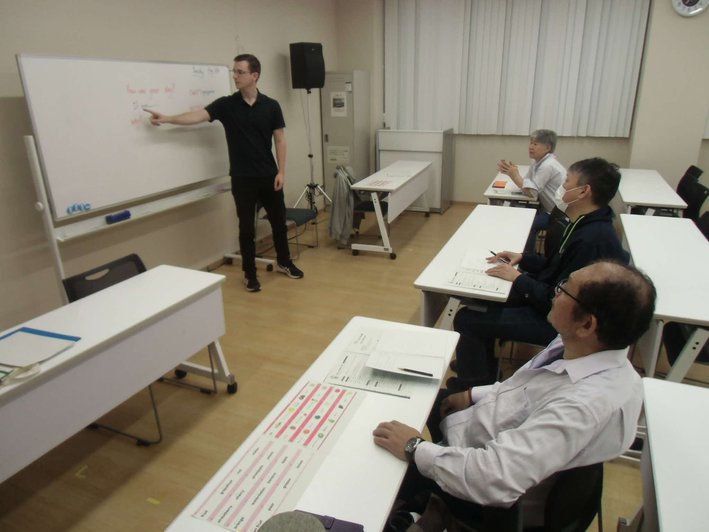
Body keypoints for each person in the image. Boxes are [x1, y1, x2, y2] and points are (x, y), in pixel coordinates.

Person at [373, 260, 655, 530]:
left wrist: (414, 447)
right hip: (485, 431)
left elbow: (492, 477)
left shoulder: (582, 406)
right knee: (411, 392)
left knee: (377, 465)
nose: (555, 292)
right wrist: (473, 394)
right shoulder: (587, 348)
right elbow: (525, 386)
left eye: (564, 288)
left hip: (482, 489)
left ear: (587, 325)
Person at [449, 157, 626, 390]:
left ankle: (471, 387)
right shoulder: (585, 223)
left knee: (467, 319)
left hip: (559, 322)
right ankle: (481, 368)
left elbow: (557, 299)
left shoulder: (592, 240)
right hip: (551, 300)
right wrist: (523, 258)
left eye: (567, 182)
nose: (562, 187)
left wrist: (518, 278)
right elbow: (556, 266)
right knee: (481, 298)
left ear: (584, 191)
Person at [146, 53, 303, 292]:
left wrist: (281, 172)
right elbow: (197, 116)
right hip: (242, 178)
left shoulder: (271, 106)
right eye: (234, 71)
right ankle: (250, 274)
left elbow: (280, 140)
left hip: (269, 175)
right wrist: (167, 119)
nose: (235, 76)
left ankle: (284, 262)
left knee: (279, 223)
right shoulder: (226, 105)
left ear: (254, 75)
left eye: (240, 72)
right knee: (246, 229)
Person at [498, 130, 566, 252]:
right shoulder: (538, 162)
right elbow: (527, 183)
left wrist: (514, 175)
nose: (531, 147)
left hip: (557, 214)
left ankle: (527, 256)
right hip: (546, 207)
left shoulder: (548, 165)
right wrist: (511, 171)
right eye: (531, 143)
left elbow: (531, 192)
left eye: (535, 144)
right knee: (515, 211)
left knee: (527, 224)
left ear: (547, 148)